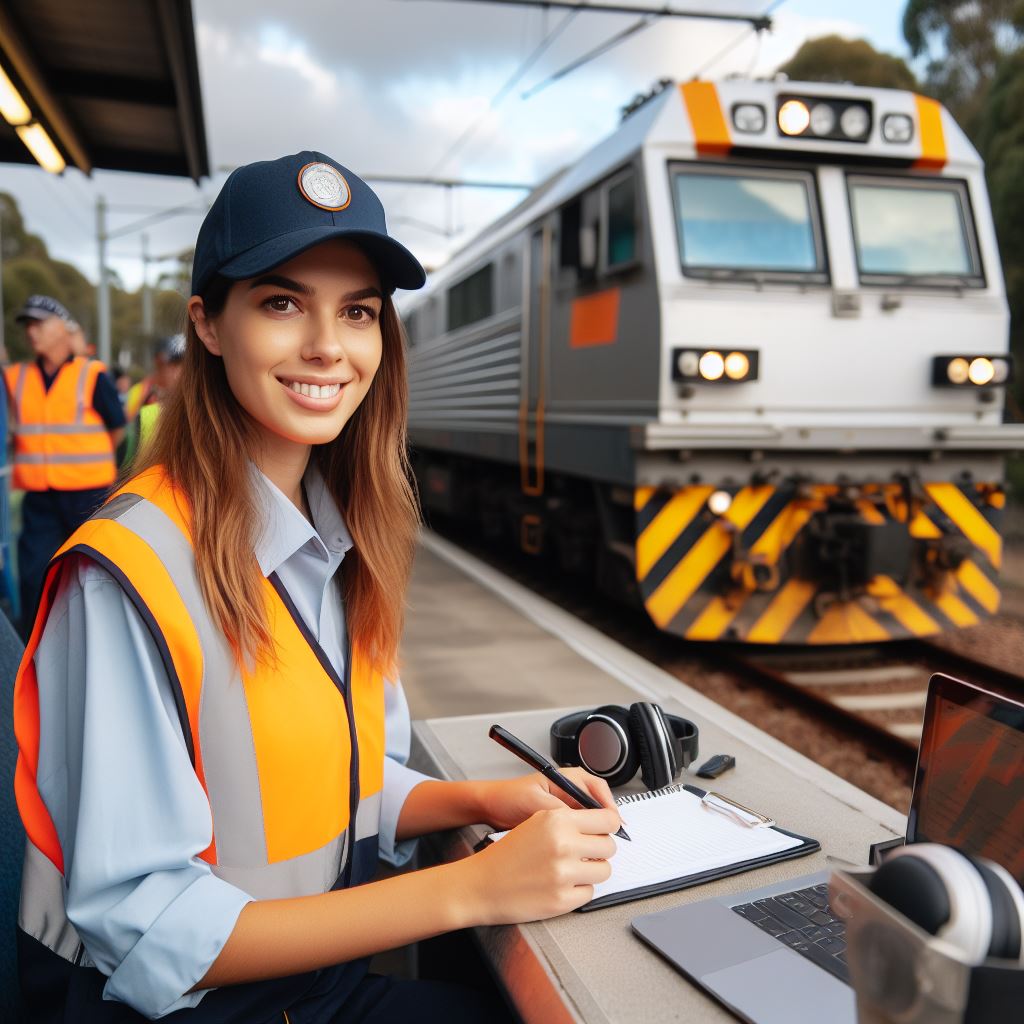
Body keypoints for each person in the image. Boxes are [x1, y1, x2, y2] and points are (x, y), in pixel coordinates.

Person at [13, 152, 621, 1023]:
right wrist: (475, 890)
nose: (328, 346)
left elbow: (340, 777)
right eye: (282, 302)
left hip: (313, 993)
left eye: (359, 311)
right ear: (210, 326)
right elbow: (151, 929)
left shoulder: (338, 537)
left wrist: (488, 799)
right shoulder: (127, 575)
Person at [3, 295, 126, 635]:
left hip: (88, 495)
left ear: (62, 328)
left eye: (38, 323)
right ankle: (33, 651)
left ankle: (96, 642)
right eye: (27, 325)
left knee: (92, 576)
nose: (31, 332)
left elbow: (116, 427)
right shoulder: (17, 378)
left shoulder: (92, 375)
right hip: (40, 496)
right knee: (33, 577)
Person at [122, 333, 186, 463]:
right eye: (175, 364)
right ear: (158, 362)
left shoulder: (199, 400)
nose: (182, 371)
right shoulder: (140, 392)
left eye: (187, 364)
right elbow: (125, 437)